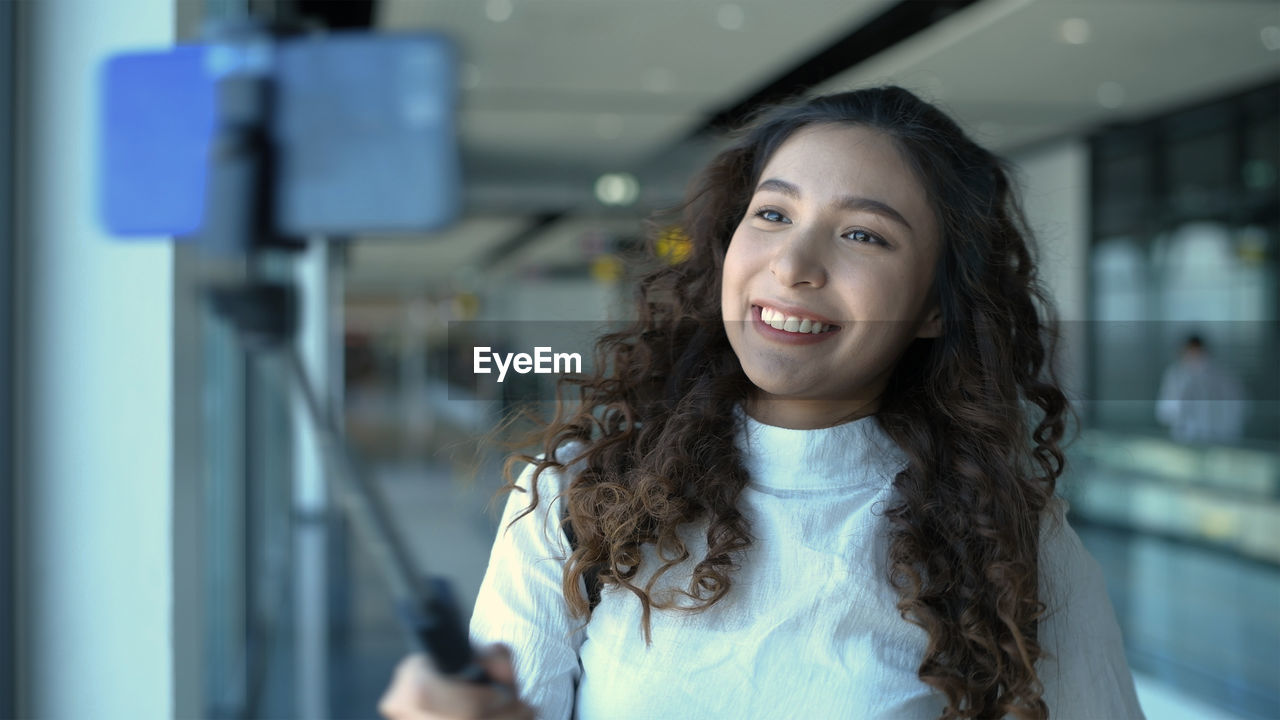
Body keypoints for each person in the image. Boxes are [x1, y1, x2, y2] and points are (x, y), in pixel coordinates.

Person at [379, 87, 1145, 720]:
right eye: (773, 214)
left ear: (936, 309)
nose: (793, 264)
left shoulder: (1018, 547)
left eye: (864, 236)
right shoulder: (576, 495)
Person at [1155, 334, 1246, 444]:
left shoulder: (1224, 376)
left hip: (1219, 440)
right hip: (1185, 441)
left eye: (1197, 352)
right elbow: (1165, 412)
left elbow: (1238, 408)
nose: (1194, 357)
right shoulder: (1175, 375)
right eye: (1190, 352)